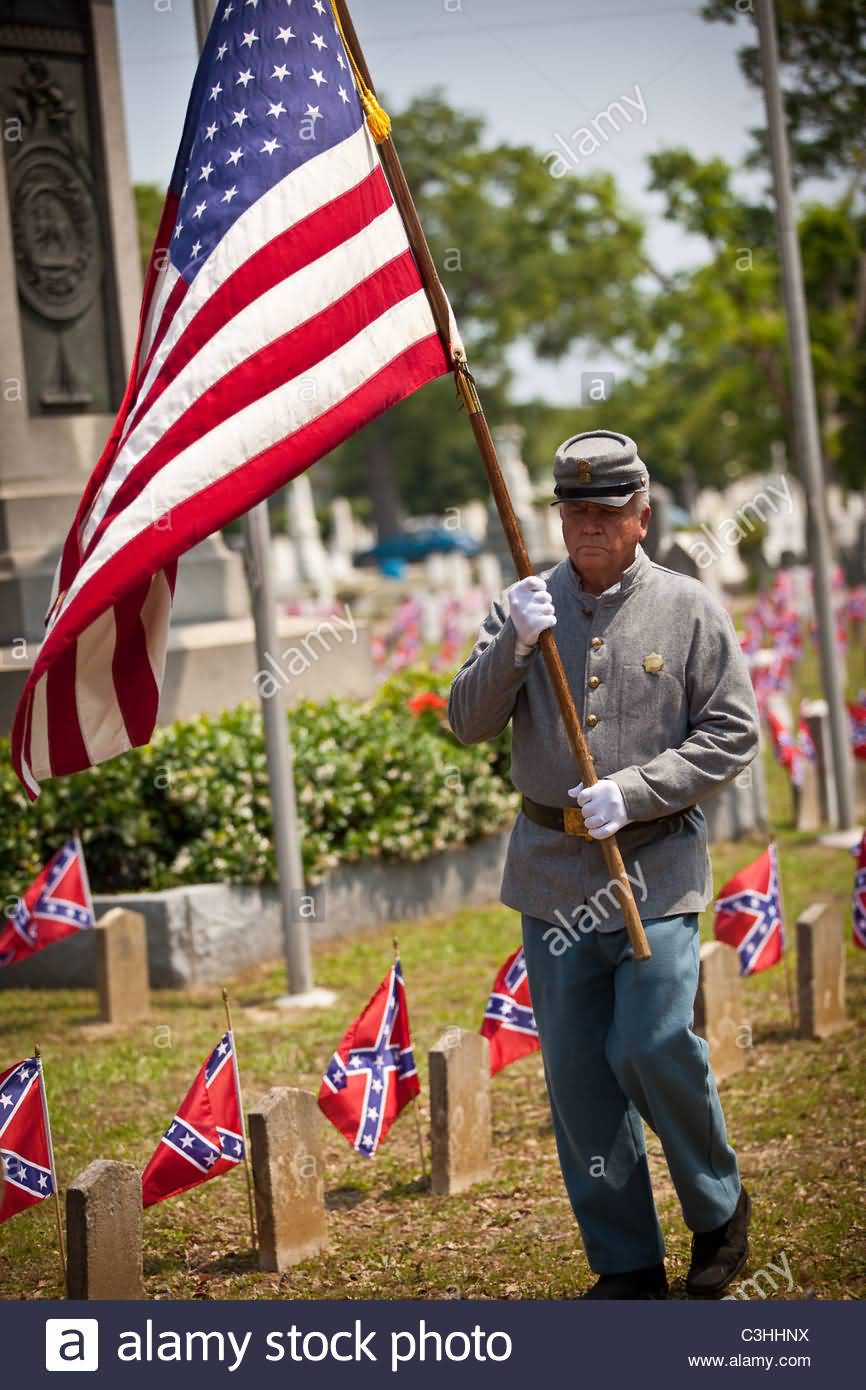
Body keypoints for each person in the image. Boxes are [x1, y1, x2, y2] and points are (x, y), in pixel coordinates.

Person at [448, 429, 760, 1299]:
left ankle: (718, 1207)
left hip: (654, 865)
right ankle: (626, 1266)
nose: (587, 526)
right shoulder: (524, 603)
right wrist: (511, 646)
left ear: (641, 516)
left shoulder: (689, 608)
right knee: (582, 1080)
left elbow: (733, 732)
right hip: (551, 874)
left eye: (606, 511)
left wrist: (641, 788)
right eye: (573, 510)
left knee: (653, 1042)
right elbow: (465, 721)